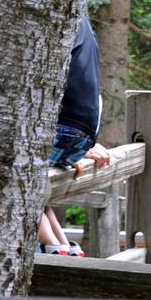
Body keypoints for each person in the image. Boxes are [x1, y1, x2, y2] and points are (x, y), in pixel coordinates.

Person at [42, 16, 111, 256]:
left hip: (59, 130)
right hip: (80, 134)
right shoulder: (72, 10)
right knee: (34, 182)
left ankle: (50, 250)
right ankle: (61, 246)